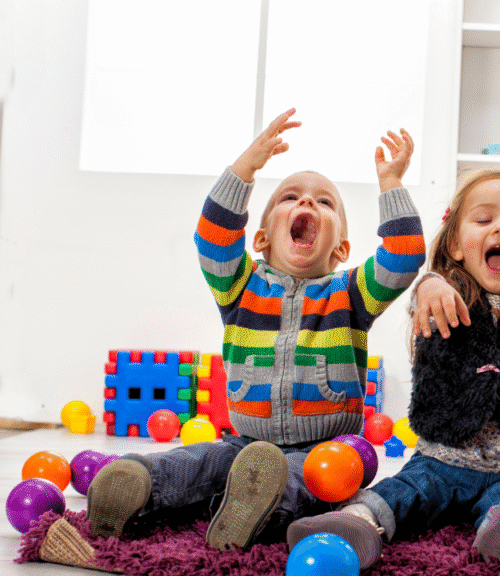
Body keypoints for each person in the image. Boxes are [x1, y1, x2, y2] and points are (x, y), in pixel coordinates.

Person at [86, 108, 425, 551]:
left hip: (326, 447)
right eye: (290, 197)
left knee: (314, 482)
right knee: (201, 460)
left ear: (341, 247)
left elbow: (404, 256)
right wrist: (246, 167)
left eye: (324, 202)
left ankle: (250, 510)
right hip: (245, 441)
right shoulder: (239, 286)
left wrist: (392, 184)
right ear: (261, 238)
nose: (307, 203)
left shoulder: (351, 293)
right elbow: (213, 236)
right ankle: (140, 484)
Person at [287, 168, 500, 569]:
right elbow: (423, 300)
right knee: (404, 491)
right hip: (442, 459)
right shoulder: (443, 295)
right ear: (459, 246)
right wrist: (429, 284)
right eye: (484, 219)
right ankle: (354, 522)